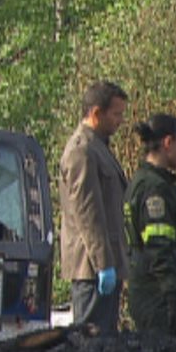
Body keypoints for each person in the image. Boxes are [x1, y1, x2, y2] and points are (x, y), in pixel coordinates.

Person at [59, 81, 129, 333]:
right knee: (91, 345)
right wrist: (103, 264)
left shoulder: (98, 147)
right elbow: (88, 213)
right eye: (116, 114)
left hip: (105, 264)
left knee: (105, 343)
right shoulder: (82, 151)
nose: (120, 121)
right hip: (92, 270)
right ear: (96, 113)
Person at [124, 113, 176, 336]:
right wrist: (173, 295)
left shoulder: (143, 182)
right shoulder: (154, 189)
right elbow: (158, 248)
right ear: (168, 143)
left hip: (152, 293)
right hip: (159, 299)